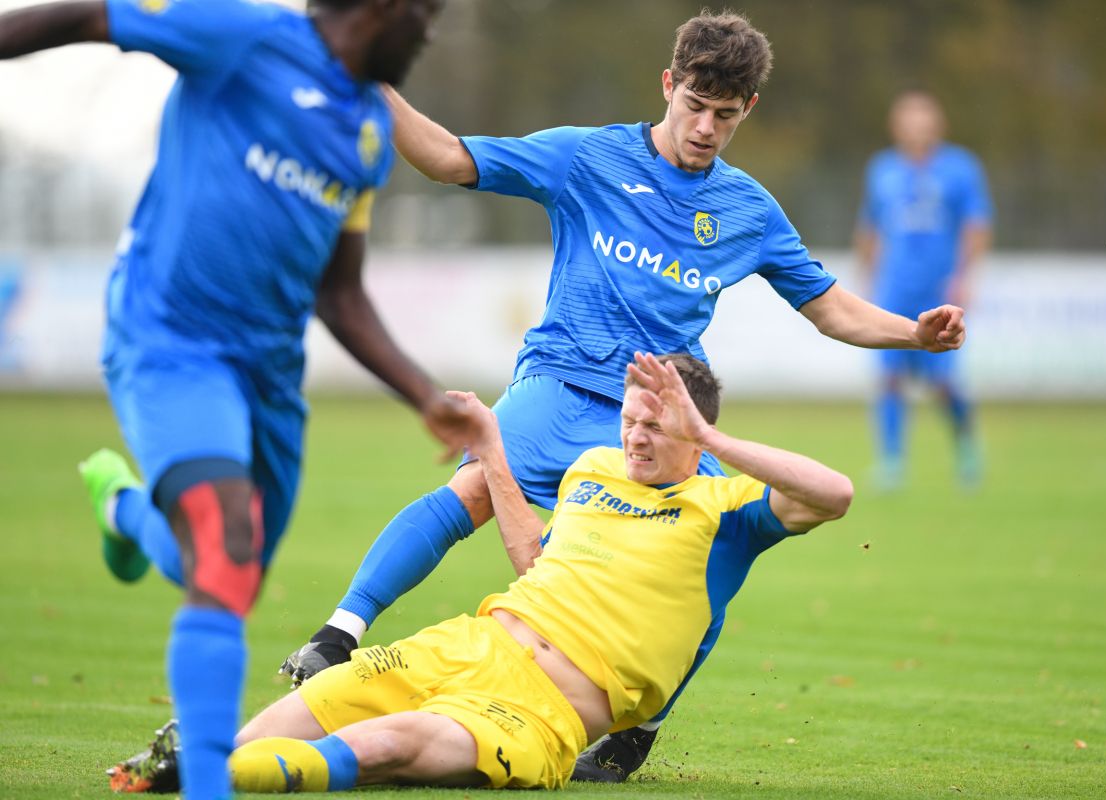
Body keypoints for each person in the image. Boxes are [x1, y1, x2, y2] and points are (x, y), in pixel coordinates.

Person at [281, 11, 966, 782]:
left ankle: (639, 730)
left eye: (725, 115)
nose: (705, 128)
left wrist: (914, 334)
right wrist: (369, 78)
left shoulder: (748, 210)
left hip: (658, 412)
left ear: (748, 109)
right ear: (669, 85)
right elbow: (447, 159)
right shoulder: (587, 157)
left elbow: (831, 308)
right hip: (561, 380)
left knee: (715, 545)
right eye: (695, 106)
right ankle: (338, 635)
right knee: (472, 491)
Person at [0, 1, 473, 798]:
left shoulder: (367, 130)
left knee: (225, 566)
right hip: (172, 340)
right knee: (224, 541)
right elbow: (90, 17)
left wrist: (422, 395)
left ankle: (123, 510)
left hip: (269, 378)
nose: (430, 33)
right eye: (425, 13)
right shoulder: (244, 36)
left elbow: (340, 293)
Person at [114, 352, 855, 792]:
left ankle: (210, 778)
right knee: (323, 701)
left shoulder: (729, 508)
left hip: (543, 711)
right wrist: (493, 449)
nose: (634, 437)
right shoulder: (593, 468)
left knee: (393, 744)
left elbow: (835, 494)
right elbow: (537, 561)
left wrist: (712, 439)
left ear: (694, 433)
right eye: (630, 419)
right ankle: (187, 761)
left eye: (656, 427)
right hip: (473, 641)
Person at [854, 91, 993, 490]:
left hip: (939, 290)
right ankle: (891, 462)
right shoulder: (882, 169)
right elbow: (870, 227)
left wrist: (965, 276)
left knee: (943, 383)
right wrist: (867, 278)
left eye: (923, 121)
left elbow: (976, 225)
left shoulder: (960, 168)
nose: (916, 129)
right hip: (895, 289)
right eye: (908, 122)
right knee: (889, 377)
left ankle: (966, 448)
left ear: (938, 125)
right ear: (896, 127)